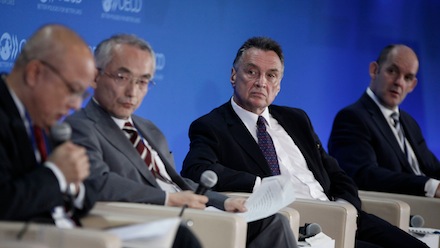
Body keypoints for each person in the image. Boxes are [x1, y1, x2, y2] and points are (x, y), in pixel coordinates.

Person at [181, 37, 429, 248]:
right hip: (297, 224)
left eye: (271, 75)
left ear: (278, 85)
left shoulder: (296, 119)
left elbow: (336, 173)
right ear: (234, 75)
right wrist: (262, 186)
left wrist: (345, 207)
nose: (261, 82)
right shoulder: (212, 126)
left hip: (342, 216)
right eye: (251, 72)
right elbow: (197, 171)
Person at [65, 34, 298, 248]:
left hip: (191, 211)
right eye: (122, 77)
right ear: (95, 76)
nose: (132, 91)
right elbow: (98, 184)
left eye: (143, 81)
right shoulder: (81, 127)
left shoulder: (147, 128)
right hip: (152, 220)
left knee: (274, 221)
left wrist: (222, 201)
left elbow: (177, 182)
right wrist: (168, 199)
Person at [0, 24, 96, 226]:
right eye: (73, 89)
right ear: (35, 73)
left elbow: (86, 200)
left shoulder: (41, 117)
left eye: (83, 95)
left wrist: (72, 184)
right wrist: (57, 174)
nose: (77, 105)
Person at [328, 45, 440, 198]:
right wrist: (429, 186)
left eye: (407, 78)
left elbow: (432, 167)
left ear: (412, 85)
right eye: (392, 71)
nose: (399, 82)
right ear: (374, 70)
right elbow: (362, 175)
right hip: (400, 211)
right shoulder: (351, 118)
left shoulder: (409, 122)